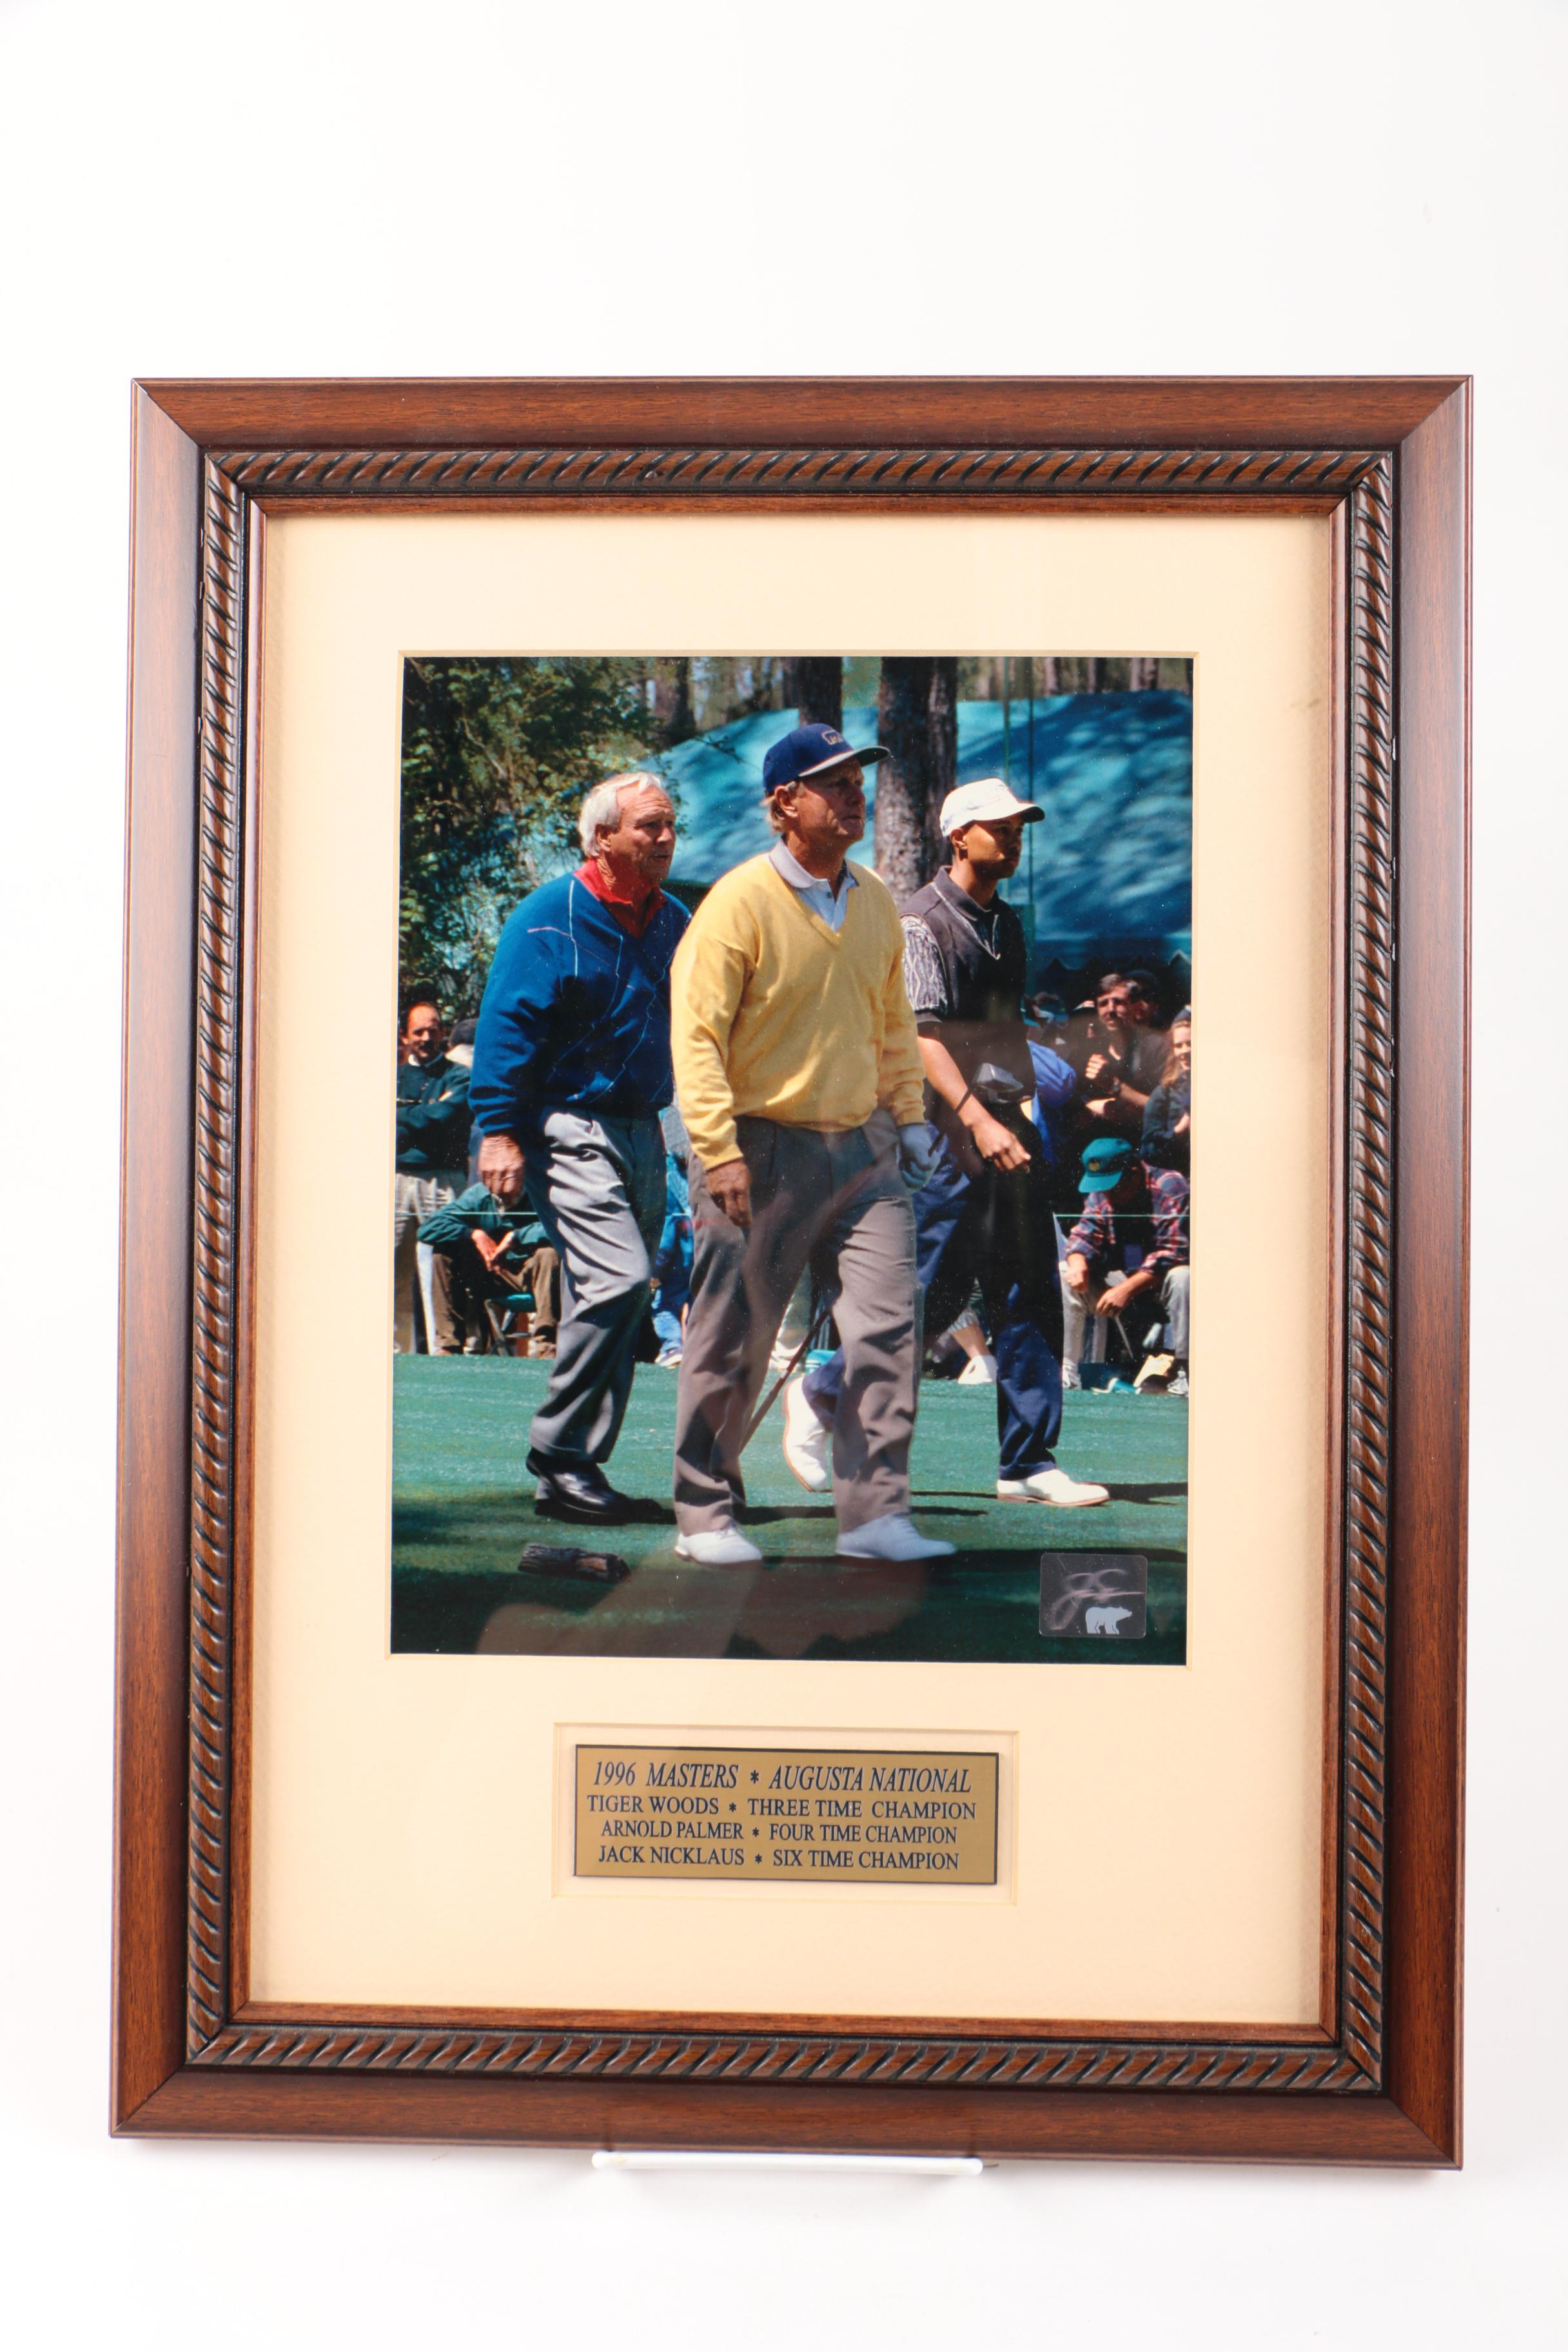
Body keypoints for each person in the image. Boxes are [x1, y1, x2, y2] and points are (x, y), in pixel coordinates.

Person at [669, 721, 952, 1567]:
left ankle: (874, 1517)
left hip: (863, 1149)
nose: (853, 792)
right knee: (732, 1335)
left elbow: (893, 1022)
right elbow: (696, 1035)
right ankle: (705, 1516)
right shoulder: (736, 903)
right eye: (832, 782)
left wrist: (909, 1117)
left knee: (887, 1329)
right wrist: (717, 1149)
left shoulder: (871, 898)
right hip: (755, 1146)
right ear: (782, 805)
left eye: (857, 777)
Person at [788, 778, 1108, 1509]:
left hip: (1001, 1125)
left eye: (1020, 825)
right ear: (958, 836)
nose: (1015, 836)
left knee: (1027, 1287)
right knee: (919, 1295)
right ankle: (822, 1392)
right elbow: (922, 1040)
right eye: (1001, 826)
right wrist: (981, 1121)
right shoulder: (917, 924)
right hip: (936, 1134)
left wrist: (1019, 1116)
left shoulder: (1010, 926)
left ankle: (1025, 1462)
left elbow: (1001, 1036)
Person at [469, 772, 687, 1522]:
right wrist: (498, 1130)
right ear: (601, 839)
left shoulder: (672, 921)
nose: (663, 839)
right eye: (647, 827)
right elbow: (505, 1025)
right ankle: (560, 1452)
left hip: (643, 1126)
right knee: (619, 1281)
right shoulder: (546, 917)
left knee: (630, 1298)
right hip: (563, 1124)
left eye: (668, 826)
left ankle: (574, 1474)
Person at [1061, 1135, 1190, 1392]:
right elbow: (1082, 1236)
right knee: (1065, 1270)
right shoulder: (1103, 1193)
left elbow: (1174, 1251)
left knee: (1184, 1276)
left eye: (1114, 1185)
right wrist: (1078, 1264)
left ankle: (1187, 1372)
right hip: (1124, 1280)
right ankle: (1067, 1371)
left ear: (1133, 1172)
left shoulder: (1169, 1184)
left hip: (1160, 1280)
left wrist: (1127, 1289)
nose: (1107, 1193)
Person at [393, 995, 471, 1354]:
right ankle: (395, 1352)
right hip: (397, 1180)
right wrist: (426, 1114)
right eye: (418, 1031)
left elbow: (444, 1119)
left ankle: (445, 1348)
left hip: (442, 1180)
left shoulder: (459, 1077)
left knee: (440, 1266)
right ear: (405, 1036)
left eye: (433, 1030)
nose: (426, 1037)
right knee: (394, 1268)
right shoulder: (390, 1077)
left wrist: (403, 1117)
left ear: (443, 1033)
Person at [416, 1183, 556, 1354]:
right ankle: (449, 1344)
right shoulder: (479, 1194)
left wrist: (517, 1237)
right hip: (488, 1272)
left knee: (549, 1254)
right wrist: (474, 1234)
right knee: (442, 1254)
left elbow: (563, 1225)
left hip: (529, 1274)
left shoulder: (541, 1189)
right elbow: (427, 1229)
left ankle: (547, 1346)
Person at [1141, 1009, 1191, 1174]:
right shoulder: (1164, 1093)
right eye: (1179, 1046)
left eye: (1190, 1043)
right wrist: (1180, 1129)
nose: (1185, 1051)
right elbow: (1148, 1150)